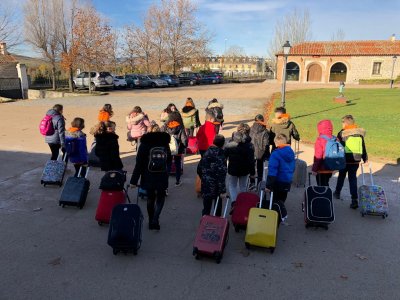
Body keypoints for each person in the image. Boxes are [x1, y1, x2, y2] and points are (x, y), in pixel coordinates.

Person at [130, 130, 171, 230]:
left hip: (148, 175)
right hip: (162, 175)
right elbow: (169, 160)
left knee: (150, 198)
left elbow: (139, 164)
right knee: (161, 197)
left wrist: (133, 181)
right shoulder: (164, 144)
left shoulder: (144, 144)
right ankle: (156, 219)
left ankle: (150, 220)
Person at [334, 115, 368, 209]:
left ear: (345, 123)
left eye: (342, 122)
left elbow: (338, 146)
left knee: (341, 176)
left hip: (345, 160)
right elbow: (363, 146)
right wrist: (365, 158)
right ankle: (354, 200)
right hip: (355, 160)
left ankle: (337, 192)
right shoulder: (359, 133)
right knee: (353, 179)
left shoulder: (342, 133)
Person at [225, 123, 255, 204]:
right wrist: (253, 173)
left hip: (233, 168)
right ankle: (242, 203)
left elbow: (225, 155)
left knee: (232, 185)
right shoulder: (249, 145)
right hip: (244, 169)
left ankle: (234, 202)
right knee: (243, 186)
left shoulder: (230, 143)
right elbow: (251, 161)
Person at [197, 135, 227, 216]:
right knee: (217, 207)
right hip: (217, 186)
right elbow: (222, 174)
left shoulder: (206, 153)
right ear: (222, 144)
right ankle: (216, 225)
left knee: (206, 208)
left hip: (206, 184)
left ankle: (204, 223)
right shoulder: (221, 155)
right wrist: (223, 190)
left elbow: (199, 169)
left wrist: (204, 178)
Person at [265, 134, 295, 204]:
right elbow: (293, 167)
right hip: (287, 180)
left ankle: (277, 213)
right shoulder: (291, 152)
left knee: (274, 202)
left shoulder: (275, 154)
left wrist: (268, 185)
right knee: (282, 202)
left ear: (276, 143)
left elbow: (272, 170)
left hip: (277, 181)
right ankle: (282, 213)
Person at [161, 111, 187, 186]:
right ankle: (177, 181)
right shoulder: (180, 127)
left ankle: (165, 184)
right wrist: (183, 147)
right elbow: (184, 140)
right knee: (177, 164)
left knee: (168, 165)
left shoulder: (165, 126)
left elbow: (160, 133)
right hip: (178, 150)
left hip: (167, 148)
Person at [249, 114, 271, 189]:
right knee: (260, 169)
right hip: (261, 153)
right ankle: (259, 183)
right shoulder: (265, 131)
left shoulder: (250, 129)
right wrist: (267, 154)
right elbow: (266, 144)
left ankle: (251, 183)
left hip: (252, 151)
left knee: (252, 168)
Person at [311, 119, 335, 186]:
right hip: (330, 167)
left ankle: (324, 196)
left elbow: (318, 156)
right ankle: (327, 194)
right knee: (326, 183)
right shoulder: (334, 138)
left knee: (321, 186)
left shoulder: (320, 139)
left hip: (321, 168)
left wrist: (314, 169)